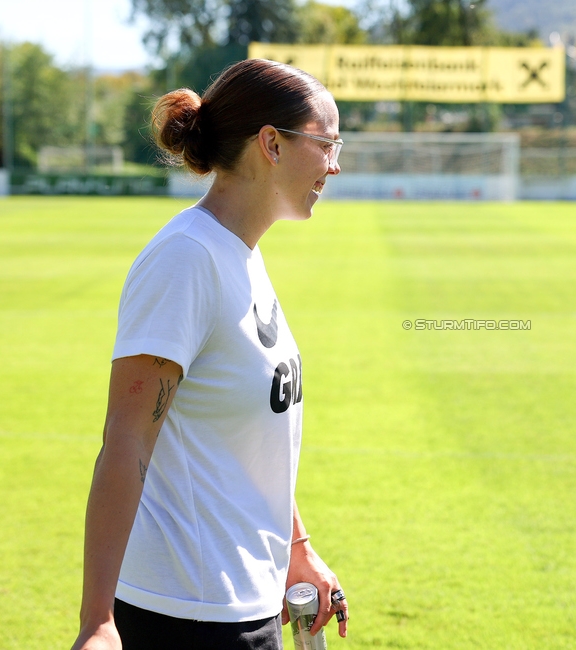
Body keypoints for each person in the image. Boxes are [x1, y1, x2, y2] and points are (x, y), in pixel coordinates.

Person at [72, 58, 348, 650]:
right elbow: (126, 439)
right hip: (187, 612)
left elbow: (245, 436)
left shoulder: (240, 253)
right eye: (327, 143)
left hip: (248, 595)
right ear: (271, 144)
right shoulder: (186, 259)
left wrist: (296, 547)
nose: (335, 164)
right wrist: (98, 620)